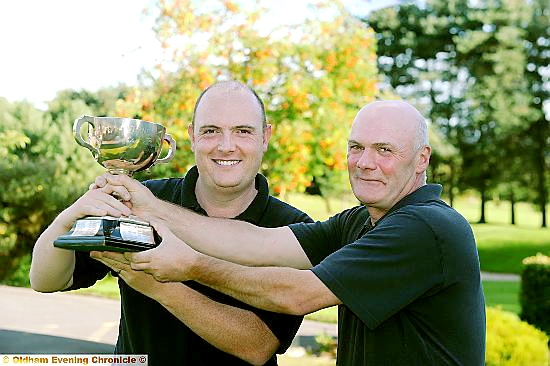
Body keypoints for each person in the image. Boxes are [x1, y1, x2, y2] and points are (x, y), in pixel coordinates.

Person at [93, 100, 486, 365]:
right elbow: (260, 243)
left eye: (385, 150)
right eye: (356, 147)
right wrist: (149, 205)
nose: (366, 163)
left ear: (421, 160)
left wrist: (189, 266)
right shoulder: (359, 221)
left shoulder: (426, 226)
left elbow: (298, 293)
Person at [30, 80, 313, 365]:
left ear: (265, 137)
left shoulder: (292, 230)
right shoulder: (142, 198)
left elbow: (258, 345)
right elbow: (46, 281)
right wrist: (68, 219)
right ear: (192, 137)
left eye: (243, 131)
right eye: (211, 131)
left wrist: (157, 286)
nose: (226, 146)